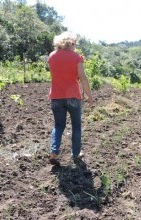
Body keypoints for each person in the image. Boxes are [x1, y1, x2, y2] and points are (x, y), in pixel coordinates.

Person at [47, 32, 94, 165]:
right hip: (73, 97)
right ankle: (76, 154)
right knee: (76, 126)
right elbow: (83, 78)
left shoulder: (51, 56)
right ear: (71, 43)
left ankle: (54, 152)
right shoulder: (76, 57)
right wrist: (90, 96)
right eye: (75, 44)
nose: (75, 46)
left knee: (58, 125)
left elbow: (55, 76)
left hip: (56, 97)